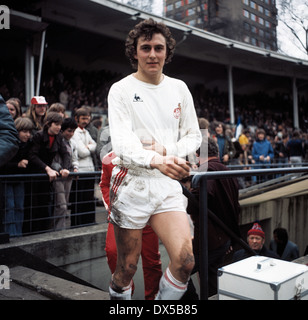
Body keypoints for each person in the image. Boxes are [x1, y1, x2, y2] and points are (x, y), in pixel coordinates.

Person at [107, 18, 202, 300]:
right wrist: (155, 159)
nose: (152, 54)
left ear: (167, 52)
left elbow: (195, 136)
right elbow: (122, 144)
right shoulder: (120, 90)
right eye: (145, 47)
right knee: (127, 267)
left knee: (185, 262)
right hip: (131, 182)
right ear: (134, 52)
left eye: (158, 48)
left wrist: (165, 154)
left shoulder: (180, 88)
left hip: (166, 182)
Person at [99, 151, 162, 300]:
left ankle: (152, 297)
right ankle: (126, 289)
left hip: (147, 217)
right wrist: (112, 208)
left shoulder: (153, 155)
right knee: (112, 252)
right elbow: (104, 185)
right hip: (120, 218)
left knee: (151, 261)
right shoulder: (108, 158)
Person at [183, 136, 241, 297]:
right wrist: (231, 236)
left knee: (180, 274)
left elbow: (197, 202)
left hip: (210, 240)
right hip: (222, 238)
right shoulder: (227, 171)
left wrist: (190, 190)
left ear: (198, 153)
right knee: (211, 281)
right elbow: (235, 207)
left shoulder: (206, 171)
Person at [28, 112, 70, 232]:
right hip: (35, 173)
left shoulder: (59, 136)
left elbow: (66, 153)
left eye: (60, 124)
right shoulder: (39, 136)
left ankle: (44, 231)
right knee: (35, 205)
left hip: (47, 175)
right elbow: (32, 155)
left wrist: (65, 168)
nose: (59, 127)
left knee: (46, 203)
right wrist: (47, 168)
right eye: (56, 124)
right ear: (48, 124)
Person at [2, 117, 33, 236]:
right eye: (25, 132)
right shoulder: (8, 143)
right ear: (17, 131)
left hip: (20, 179)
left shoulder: (28, 145)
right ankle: (11, 234)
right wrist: (17, 165)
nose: (28, 135)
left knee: (19, 207)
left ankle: (18, 234)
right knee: (9, 207)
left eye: (29, 132)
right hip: (7, 179)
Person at [70, 107, 97, 226]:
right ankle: (78, 224)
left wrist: (88, 148)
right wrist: (89, 147)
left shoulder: (86, 131)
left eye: (87, 118)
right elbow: (81, 152)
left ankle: (88, 222)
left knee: (89, 198)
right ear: (77, 118)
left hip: (89, 169)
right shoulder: (75, 132)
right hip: (80, 170)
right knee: (79, 199)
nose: (86, 121)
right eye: (83, 118)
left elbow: (95, 145)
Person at [51, 117, 79, 230]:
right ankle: (57, 230)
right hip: (58, 176)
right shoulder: (57, 141)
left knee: (65, 204)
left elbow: (74, 158)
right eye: (69, 131)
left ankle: (61, 228)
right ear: (63, 130)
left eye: (73, 131)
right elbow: (52, 159)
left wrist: (76, 168)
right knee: (61, 205)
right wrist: (59, 169)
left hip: (69, 176)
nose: (71, 133)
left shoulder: (73, 143)